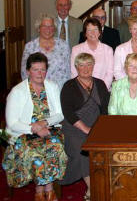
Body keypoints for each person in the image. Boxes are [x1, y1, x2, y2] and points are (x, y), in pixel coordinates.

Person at [3, 52, 67, 201]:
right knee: (35, 152)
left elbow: (60, 114)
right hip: (22, 133)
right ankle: (43, 191)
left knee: (55, 146)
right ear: (28, 71)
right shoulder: (17, 91)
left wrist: (44, 123)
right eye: (35, 69)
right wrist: (34, 128)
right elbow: (12, 122)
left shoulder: (52, 86)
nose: (40, 73)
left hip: (49, 130)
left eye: (43, 69)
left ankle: (46, 191)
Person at [60, 53, 109, 200]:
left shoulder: (100, 84)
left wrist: (100, 128)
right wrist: (86, 129)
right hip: (74, 127)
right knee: (83, 149)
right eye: (82, 65)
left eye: (89, 64)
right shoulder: (68, 86)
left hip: (97, 124)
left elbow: (105, 110)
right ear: (76, 67)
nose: (86, 68)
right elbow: (68, 112)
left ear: (94, 66)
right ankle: (92, 190)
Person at [21, 13, 71, 88]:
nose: (48, 29)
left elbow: (69, 70)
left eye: (51, 26)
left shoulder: (64, 45)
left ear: (54, 29)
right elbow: (24, 72)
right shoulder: (30, 47)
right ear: (38, 28)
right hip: (38, 89)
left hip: (60, 89)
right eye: (44, 26)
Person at [71, 18, 114, 89]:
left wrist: (101, 90)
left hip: (103, 90)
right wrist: (84, 90)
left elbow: (110, 73)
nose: (93, 33)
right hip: (81, 90)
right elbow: (74, 73)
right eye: (89, 30)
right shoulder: (76, 49)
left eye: (95, 29)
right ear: (85, 33)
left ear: (100, 32)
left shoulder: (108, 49)